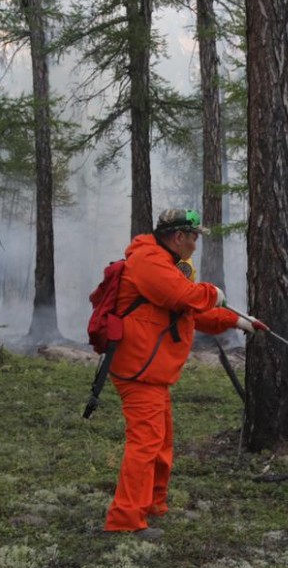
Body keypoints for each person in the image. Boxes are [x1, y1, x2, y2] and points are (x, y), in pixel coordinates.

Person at [103, 208, 256, 540]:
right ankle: (124, 519)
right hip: (138, 369)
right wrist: (212, 293)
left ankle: (153, 505)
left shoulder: (165, 263)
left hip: (152, 370)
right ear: (178, 236)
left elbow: (189, 312)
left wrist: (236, 320)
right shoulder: (149, 261)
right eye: (194, 237)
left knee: (161, 442)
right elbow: (185, 296)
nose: (196, 244)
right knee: (145, 444)